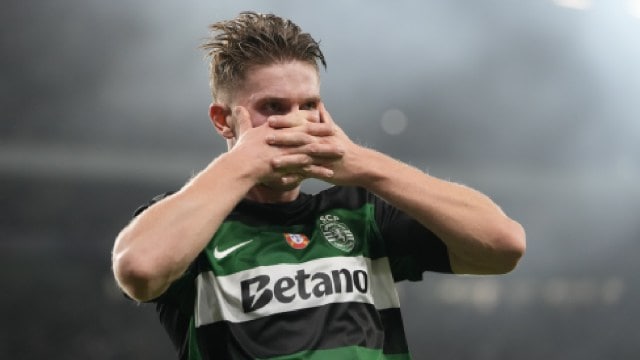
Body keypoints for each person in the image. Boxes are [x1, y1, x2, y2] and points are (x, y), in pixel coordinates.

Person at [112, 11, 526, 360]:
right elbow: (139, 270)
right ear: (223, 120)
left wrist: (363, 164)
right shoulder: (194, 224)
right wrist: (241, 162)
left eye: (308, 106)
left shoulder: (361, 212)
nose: (296, 122)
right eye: (272, 108)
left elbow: (503, 245)